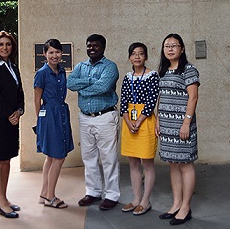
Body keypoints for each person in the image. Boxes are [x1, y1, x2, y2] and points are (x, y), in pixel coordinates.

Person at [67, 34, 120, 210]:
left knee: (109, 158)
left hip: (105, 117)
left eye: (95, 46)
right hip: (85, 117)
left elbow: (103, 87)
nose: (91, 48)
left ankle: (111, 195)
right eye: (89, 45)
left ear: (103, 47)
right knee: (88, 157)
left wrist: (84, 89)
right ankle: (93, 192)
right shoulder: (81, 66)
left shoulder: (110, 67)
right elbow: (70, 83)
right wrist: (90, 81)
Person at [155, 33, 200, 225]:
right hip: (166, 125)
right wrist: (158, 120)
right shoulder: (164, 70)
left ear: (182, 48)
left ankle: (186, 207)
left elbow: (193, 98)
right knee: (173, 164)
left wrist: (186, 123)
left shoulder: (189, 70)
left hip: (183, 126)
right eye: (167, 46)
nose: (170, 49)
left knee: (185, 165)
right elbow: (161, 97)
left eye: (174, 45)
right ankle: (176, 204)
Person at [0, 31, 25, 218]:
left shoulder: (12, 66)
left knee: (8, 160)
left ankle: (4, 198)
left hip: (13, 118)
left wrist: (19, 111)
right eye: (1, 44)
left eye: (8, 44)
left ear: (12, 47)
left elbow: (20, 92)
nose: (4, 47)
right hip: (0, 119)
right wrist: (9, 114)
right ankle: (1, 202)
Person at [120, 42, 159, 215]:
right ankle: (136, 198)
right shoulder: (127, 77)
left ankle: (145, 201)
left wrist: (140, 120)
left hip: (146, 120)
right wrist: (129, 122)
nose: (137, 56)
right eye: (134, 54)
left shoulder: (152, 75)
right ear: (129, 57)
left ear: (146, 57)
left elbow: (152, 100)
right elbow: (123, 102)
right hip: (130, 120)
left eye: (141, 53)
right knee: (133, 162)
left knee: (147, 163)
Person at [34, 39, 74, 209]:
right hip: (49, 115)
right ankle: (51, 196)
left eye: (57, 52)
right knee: (58, 156)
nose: (54, 55)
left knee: (51, 156)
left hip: (61, 112)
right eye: (51, 52)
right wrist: (40, 122)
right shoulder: (42, 73)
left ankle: (44, 193)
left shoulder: (62, 71)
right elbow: (37, 100)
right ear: (45, 54)